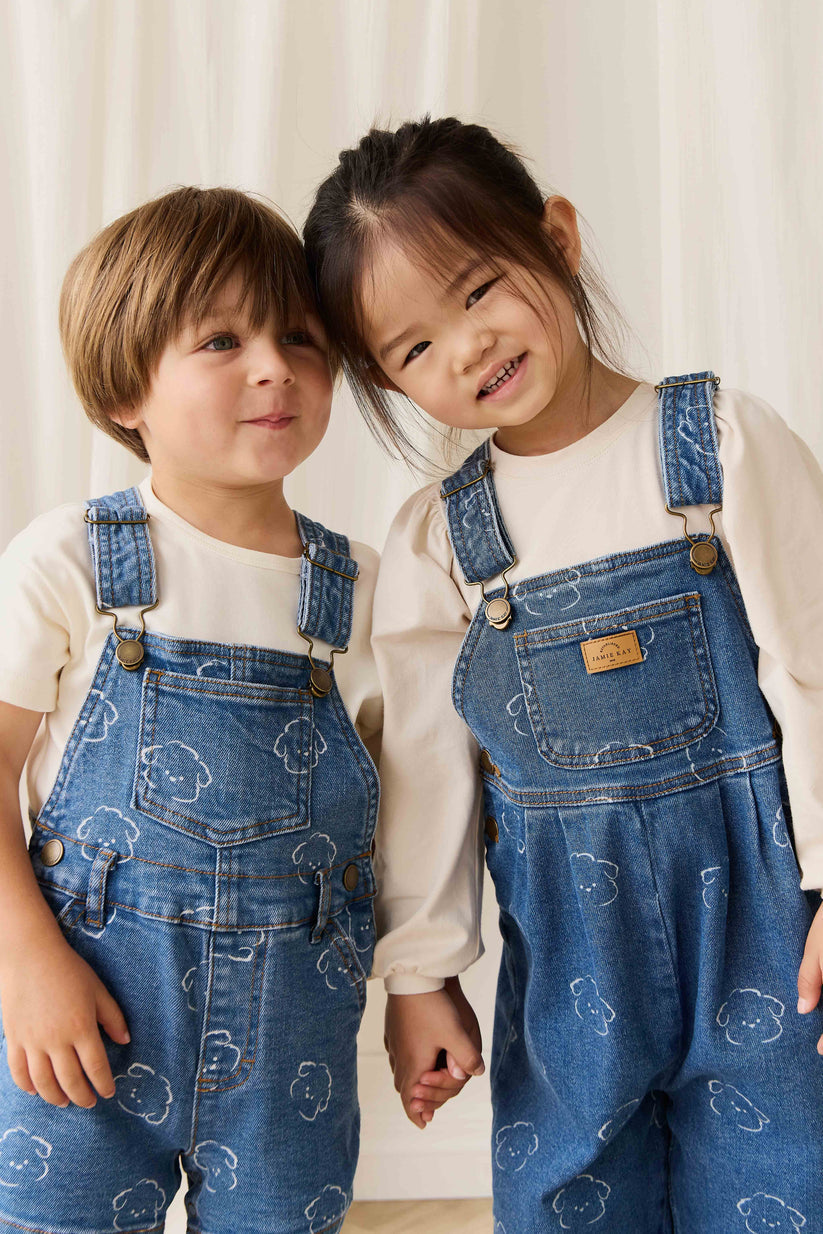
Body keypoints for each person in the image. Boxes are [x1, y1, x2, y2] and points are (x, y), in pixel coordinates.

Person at [303, 116, 823, 1231]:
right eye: (412, 348)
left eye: (480, 286)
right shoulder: (442, 540)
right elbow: (431, 778)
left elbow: (813, 672)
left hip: (768, 934)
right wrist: (421, 973)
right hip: (572, 967)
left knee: (790, 1192)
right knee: (563, 1207)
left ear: (558, 239)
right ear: (382, 381)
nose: (467, 347)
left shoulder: (717, 444)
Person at [0, 187, 381, 1234]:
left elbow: (412, 812)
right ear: (126, 388)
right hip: (83, 1025)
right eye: (222, 339)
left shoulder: (364, 592)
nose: (275, 367)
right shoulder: (71, 561)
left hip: (293, 1048)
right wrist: (27, 961)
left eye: (301, 336)